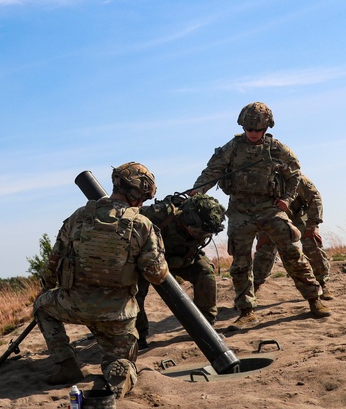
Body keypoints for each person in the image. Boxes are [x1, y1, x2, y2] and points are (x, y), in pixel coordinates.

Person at [34, 162, 170, 399]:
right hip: (118, 315)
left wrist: (48, 290)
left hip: (74, 305)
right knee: (117, 360)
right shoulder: (143, 225)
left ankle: (66, 364)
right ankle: (120, 372)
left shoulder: (80, 216)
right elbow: (156, 275)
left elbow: (52, 265)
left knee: (42, 307)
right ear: (137, 194)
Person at [191, 102, 330, 329]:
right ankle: (246, 311)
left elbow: (295, 176)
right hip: (240, 209)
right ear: (242, 126)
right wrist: (197, 191)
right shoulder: (232, 148)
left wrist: (286, 199)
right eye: (249, 129)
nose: (253, 134)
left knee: (293, 254)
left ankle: (314, 299)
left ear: (267, 127)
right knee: (240, 263)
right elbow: (212, 172)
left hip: (270, 208)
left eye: (258, 130)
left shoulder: (278, 149)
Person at [136, 193, 226, 347]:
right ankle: (139, 336)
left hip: (182, 258)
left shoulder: (203, 224)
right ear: (187, 220)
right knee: (135, 293)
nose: (202, 237)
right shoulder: (159, 214)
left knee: (205, 271)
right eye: (199, 233)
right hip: (147, 261)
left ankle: (205, 326)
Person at [252, 173, 333, 300]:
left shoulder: (296, 178)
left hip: (297, 216)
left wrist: (313, 225)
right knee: (264, 250)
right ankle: (252, 290)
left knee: (312, 242)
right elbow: (253, 206)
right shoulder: (260, 179)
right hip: (272, 218)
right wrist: (260, 231)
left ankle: (322, 283)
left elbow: (315, 198)